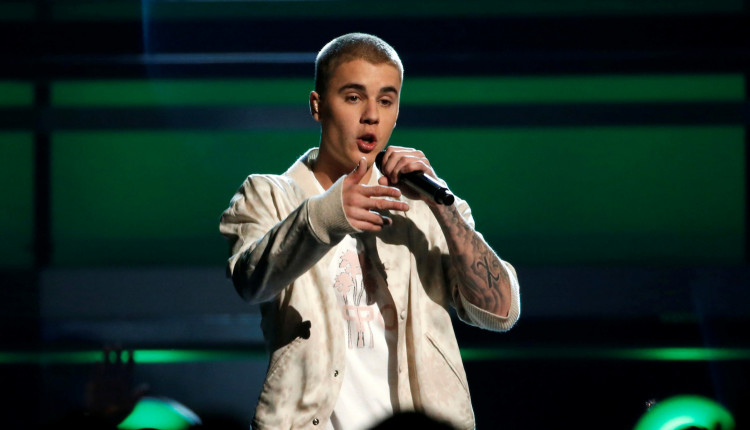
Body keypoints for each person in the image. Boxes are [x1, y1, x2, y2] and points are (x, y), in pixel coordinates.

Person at [219, 32, 521, 430]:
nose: (372, 116)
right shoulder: (272, 195)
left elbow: (501, 311)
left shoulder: (425, 204)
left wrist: (442, 209)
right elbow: (250, 278)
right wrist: (327, 214)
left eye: (386, 99)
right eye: (353, 97)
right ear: (317, 105)